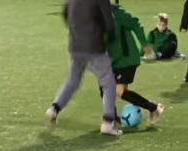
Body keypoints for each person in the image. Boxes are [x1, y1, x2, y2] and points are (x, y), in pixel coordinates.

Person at [46, 0, 122, 137]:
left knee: (73, 81)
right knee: (108, 82)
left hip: (75, 45)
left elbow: (65, 13)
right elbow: (110, 26)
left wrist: (77, 30)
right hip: (94, 47)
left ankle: (54, 108)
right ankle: (108, 122)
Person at [108, 1, 164, 125]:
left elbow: (135, 24)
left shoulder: (117, 13)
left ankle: (154, 108)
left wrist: (145, 45)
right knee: (110, 90)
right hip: (114, 61)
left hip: (126, 59)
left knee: (119, 91)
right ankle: (113, 120)